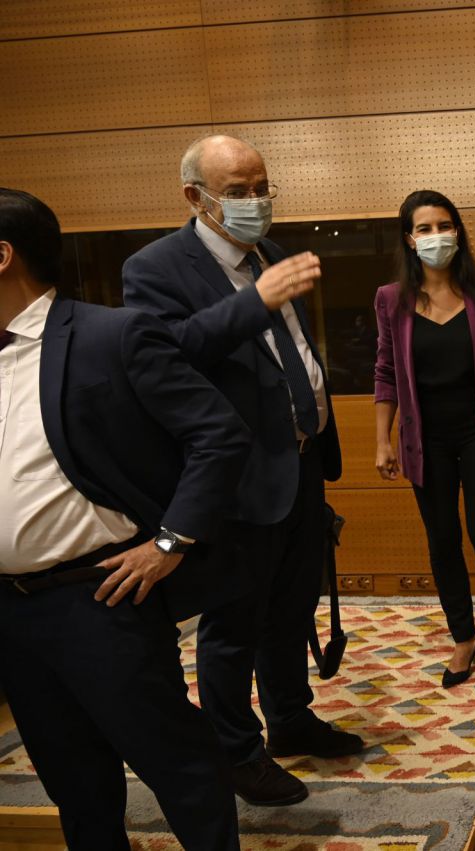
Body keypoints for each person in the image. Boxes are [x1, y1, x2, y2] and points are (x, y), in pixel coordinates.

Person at [0, 188, 248, 849]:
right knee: (71, 778)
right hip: (11, 610)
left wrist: (170, 539)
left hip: (100, 594)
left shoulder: (112, 333)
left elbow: (218, 435)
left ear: (2, 256)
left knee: (175, 760)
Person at [122, 134, 363, 808]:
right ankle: (236, 751)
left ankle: (289, 716)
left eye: (262, 186)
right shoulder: (154, 267)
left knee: (292, 607)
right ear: (194, 197)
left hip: (301, 461)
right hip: (236, 478)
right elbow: (163, 356)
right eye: (238, 190)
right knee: (232, 625)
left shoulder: (271, 252)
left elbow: (288, 350)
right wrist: (253, 300)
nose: (256, 201)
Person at [372, 189, 475, 694]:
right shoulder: (391, 300)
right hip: (424, 439)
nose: (437, 236)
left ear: (457, 231)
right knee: (442, 542)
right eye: (425, 229)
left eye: (444, 225)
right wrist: (382, 440)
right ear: (410, 240)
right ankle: (464, 637)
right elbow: (386, 372)